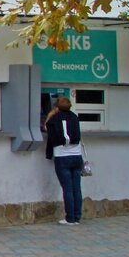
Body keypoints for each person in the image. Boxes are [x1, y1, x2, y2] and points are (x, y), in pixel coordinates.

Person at [44, 96, 84, 225]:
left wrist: (50, 114)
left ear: (57, 108)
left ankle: (70, 218)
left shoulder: (54, 119)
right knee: (76, 188)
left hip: (62, 157)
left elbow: (46, 128)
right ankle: (77, 217)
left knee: (67, 188)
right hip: (77, 157)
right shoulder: (74, 117)